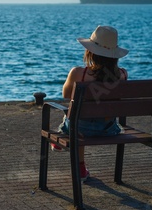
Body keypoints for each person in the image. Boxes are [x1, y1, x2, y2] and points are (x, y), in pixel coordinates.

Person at [51, 25, 129, 182]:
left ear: (90, 51)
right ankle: (70, 149)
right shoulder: (122, 74)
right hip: (109, 129)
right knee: (82, 117)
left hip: (80, 129)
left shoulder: (79, 73)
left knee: (77, 119)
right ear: (114, 54)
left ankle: (65, 143)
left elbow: (66, 94)